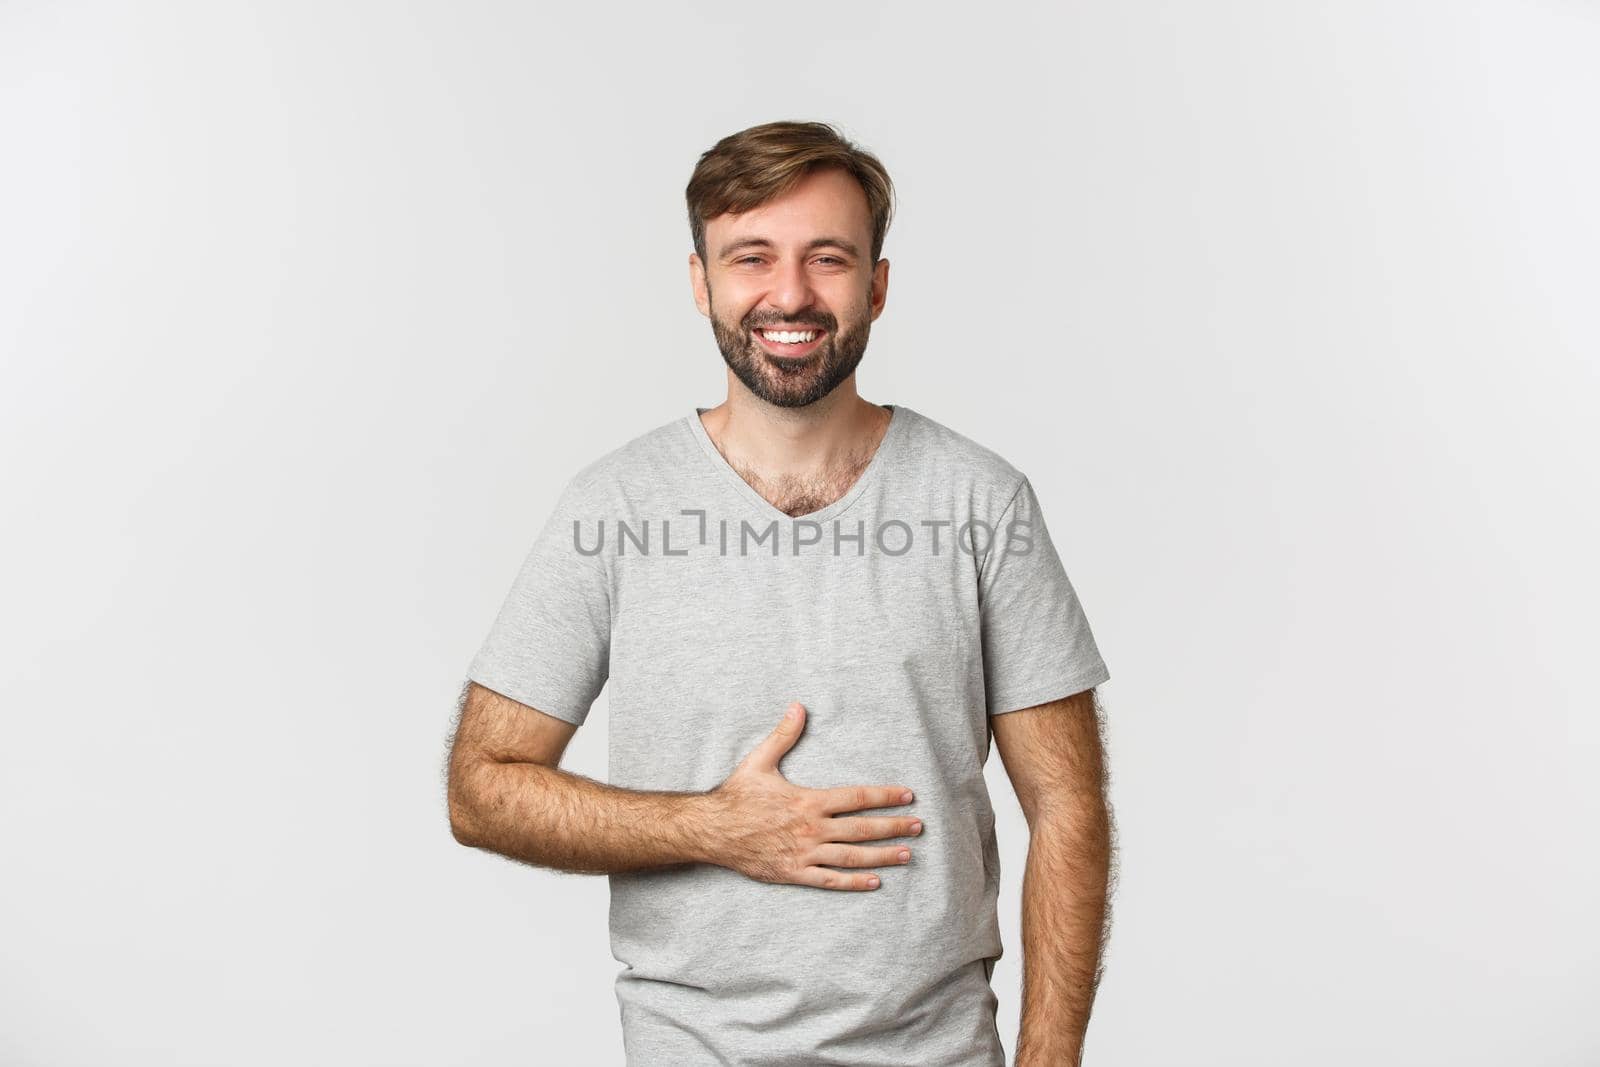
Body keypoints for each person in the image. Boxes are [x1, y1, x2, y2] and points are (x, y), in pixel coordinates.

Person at [447, 120, 1115, 1067]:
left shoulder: (981, 501)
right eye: (751, 257)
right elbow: (482, 786)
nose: (789, 294)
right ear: (700, 282)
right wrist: (711, 827)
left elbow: (1069, 803)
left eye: (828, 258)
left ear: (877, 285)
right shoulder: (614, 508)